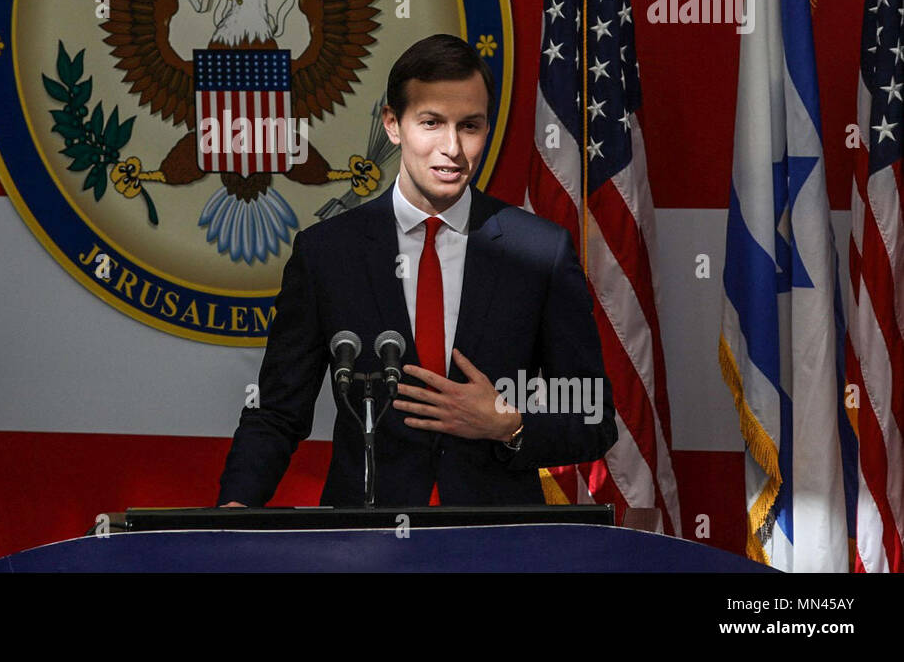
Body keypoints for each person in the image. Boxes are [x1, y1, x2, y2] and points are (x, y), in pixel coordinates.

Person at [217, 34, 617, 507]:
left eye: (470, 126)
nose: (452, 147)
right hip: (365, 541)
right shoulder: (327, 253)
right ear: (393, 124)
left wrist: (509, 423)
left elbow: (593, 417)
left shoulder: (539, 252)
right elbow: (277, 413)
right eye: (431, 123)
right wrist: (233, 510)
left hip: (495, 544)